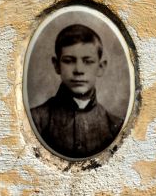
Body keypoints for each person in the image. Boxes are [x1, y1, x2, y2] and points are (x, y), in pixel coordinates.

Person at [30, 23, 123, 157]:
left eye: (88, 61)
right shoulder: (36, 121)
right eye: (69, 61)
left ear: (101, 67)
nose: (79, 70)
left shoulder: (115, 126)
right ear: (56, 65)